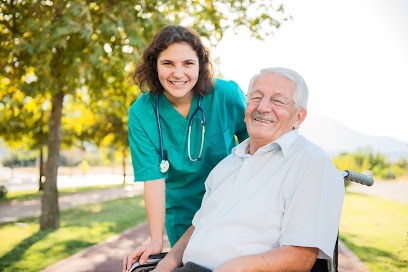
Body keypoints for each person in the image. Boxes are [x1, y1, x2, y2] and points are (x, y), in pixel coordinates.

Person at [142, 67, 345, 272]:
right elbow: (199, 225)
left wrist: (234, 268)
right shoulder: (227, 164)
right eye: (256, 97)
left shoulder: (312, 163)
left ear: (299, 117)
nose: (263, 107)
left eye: (277, 101)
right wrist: (168, 261)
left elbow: (299, 258)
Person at [124, 25, 248, 269]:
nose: (178, 73)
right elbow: (153, 178)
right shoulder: (141, 113)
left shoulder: (226, 95)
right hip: (183, 215)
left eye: (188, 63)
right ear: (154, 65)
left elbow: (258, 147)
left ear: (200, 65)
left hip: (233, 206)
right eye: (167, 63)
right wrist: (155, 240)